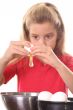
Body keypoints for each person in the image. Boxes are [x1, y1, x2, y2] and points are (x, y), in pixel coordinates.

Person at [0, 2, 73, 94]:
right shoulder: (21, 60)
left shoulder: (67, 60)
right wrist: (4, 60)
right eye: (35, 37)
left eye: (48, 36)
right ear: (28, 36)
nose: (41, 43)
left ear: (58, 35)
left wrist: (58, 65)